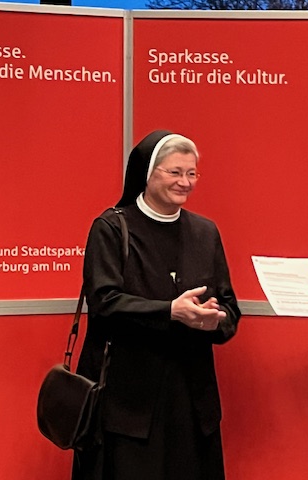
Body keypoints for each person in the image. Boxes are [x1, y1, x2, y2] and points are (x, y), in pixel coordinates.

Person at [73, 130, 241, 480]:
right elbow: (104, 301)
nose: (185, 182)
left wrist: (216, 320)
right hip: (128, 404)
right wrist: (170, 311)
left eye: (191, 173)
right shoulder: (112, 227)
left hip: (191, 401)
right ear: (147, 174)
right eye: (174, 172)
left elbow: (229, 307)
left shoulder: (205, 232)